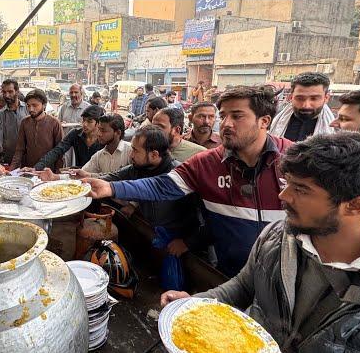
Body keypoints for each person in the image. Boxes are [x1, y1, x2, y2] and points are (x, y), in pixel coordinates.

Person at [161, 132, 360, 353]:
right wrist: (196, 306)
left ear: (354, 205)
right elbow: (243, 286)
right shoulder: (278, 235)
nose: (282, 196)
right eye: (287, 183)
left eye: (301, 190)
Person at [84, 85, 292, 278]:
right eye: (224, 116)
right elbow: (162, 185)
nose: (225, 124)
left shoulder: (295, 160)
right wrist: (110, 187)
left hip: (283, 277)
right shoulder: (206, 163)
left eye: (237, 116)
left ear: (264, 121)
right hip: (230, 276)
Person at [100, 125, 201, 237]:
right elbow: (111, 177)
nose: (131, 155)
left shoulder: (180, 176)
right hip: (151, 231)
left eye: (135, 150)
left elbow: (200, 218)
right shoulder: (138, 168)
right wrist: (84, 181)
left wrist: (186, 243)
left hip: (176, 240)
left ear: (154, 155)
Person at [269, 72, 335, 142]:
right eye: (300, 98)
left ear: (326, 98)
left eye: (314, 99)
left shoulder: (336, 128)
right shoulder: (273, 118)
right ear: (291, 97)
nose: (306, 105)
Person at [34, 105, 105, 171]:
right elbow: (57, 150)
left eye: (89, 121)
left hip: (99, 177)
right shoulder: (75, 133)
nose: (85, 124)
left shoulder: (104, 139)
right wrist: (37, 167)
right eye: (83, 120)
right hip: (79, 174)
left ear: (99, 123)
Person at [10, 89, 63, 171]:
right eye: (28, 106)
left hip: (48, 172)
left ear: (44, 105)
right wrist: (11, 170)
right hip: (28, 171)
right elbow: (19, 150)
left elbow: (60, 152)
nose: (31, 109)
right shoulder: (25, 122)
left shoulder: (54, 123)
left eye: (35, 105)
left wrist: (57, 174)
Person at [0, 79, 29, 167]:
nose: (7, 95)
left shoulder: (28, 108)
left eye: (10, 92)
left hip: (29, 159)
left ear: (17, 91)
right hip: (10, 159)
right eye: (4, 92)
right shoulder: (0, 114)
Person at [73, 114, 131, 178]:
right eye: (99, 129)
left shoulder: (131, 151)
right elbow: (84, 173)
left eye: (103, 131)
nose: (99, 134)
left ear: (118, 133)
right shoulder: (99, 156)